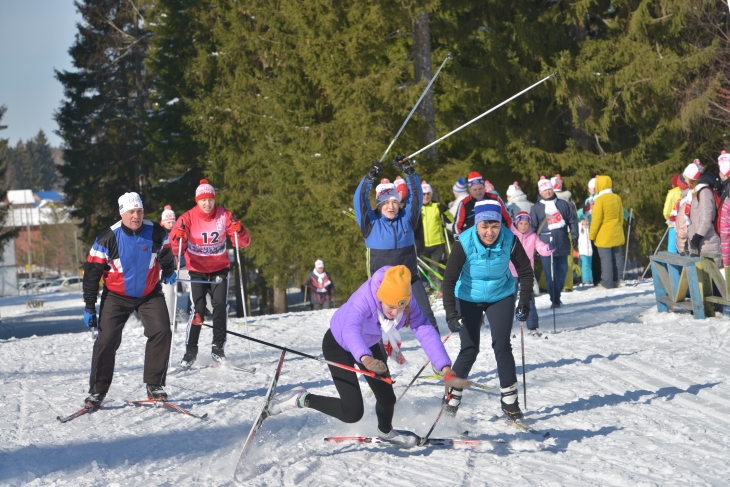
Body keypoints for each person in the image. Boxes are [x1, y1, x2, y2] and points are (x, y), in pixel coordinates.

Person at [267, 265, 465, 447]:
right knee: (352, 412)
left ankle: (386, 432)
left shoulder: (404, 298)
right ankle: (301, 398)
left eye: (400, 307)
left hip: (369, 345)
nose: (395, 313)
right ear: (380, 298)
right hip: (339, 344)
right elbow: (350, 330)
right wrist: (365, 359)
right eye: (390, 307)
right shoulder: (364, 298)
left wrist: (445, 368)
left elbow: (423, 328)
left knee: (387, 398)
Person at [441, 200, 534, 419]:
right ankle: (451, 400)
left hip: (500, 295)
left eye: (495, 226)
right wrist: (451, 314)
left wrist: (525, 302)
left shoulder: (510, 239)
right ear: (476, 225)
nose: (490, 232)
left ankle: (510, 402)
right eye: (484, 226)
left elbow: (526, 272)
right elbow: (449, 280)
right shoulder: (463, 243)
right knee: (469, 349)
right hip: (468, 297)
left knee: (502, 345)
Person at [82, 192, 177, 407]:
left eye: (140, 211)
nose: (136, 216)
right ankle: (97, 391)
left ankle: (155, 385)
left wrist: (169, 270)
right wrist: (89, 306)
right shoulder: (107, 238)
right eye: (132, 211)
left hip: (148, 294)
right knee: (107, 341)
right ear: (122, 213)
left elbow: (165, 253)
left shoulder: (155, 232)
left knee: (162, 331)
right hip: (116, 296)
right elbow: (91, 275)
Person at [170, 179, 251, 367]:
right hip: (197, 269)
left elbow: (244, 243)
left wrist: (240, 231)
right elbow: (175, 248)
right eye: (203, 200)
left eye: (210, 200)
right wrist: (177, 237)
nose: (207, 204)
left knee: (220, 306)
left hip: (219, 268)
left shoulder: (224, 215)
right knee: (197, 309)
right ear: (197, 201)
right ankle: (190, 351)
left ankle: (218, 348)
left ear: (215, 200)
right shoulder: (187, 218)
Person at [354, 155, 438, 330]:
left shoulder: (407, 219)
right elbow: (360, 199)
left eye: (394, 202)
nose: (390, 206)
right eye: (385, 203)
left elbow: (416, 195)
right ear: (378, 205)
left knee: (426, 315)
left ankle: (436, 351)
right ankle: (377, 356)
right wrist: (369, 178)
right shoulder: (370, 223)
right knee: (378, 325)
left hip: (410, 280)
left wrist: (409, 170)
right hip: (381, 284)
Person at [530, 176, 578, 308]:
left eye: (549, 189)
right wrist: (533, 245)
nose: (547, 192)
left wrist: (574, 236)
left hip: (562, 241)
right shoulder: (536, 208)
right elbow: (533, 227)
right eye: (544, 190)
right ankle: (555, 299)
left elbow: (572, 221)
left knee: (562, 271)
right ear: (540, 192)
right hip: (545, 244)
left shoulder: (563, 204)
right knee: (550, 273)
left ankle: (557, 294)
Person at [509, 211, 552, 335]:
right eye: (521, 223)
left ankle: (532, 326)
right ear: (516, 223)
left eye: (526, 224)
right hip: (511, 272)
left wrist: (549, 248)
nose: (523, 226)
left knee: (528, 299)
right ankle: (506, 326)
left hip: (526, 273)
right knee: (509, 300)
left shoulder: (532, 236)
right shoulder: (511, 235)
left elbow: (542, 249)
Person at [589, 175, 626, 289]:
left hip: (604, 235)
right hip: (617, 232)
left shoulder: (600, 200)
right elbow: (621, 216)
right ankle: (618, 280)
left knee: (606, 260)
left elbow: (596, 220)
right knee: (617, 258)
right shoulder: (617, 198)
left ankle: (607, 283)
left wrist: (592, 235)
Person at [453, 171, 512, 238]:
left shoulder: (495, 199)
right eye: (475, 190)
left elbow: (508, 219)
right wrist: (459, 240)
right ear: (470, 190)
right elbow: (457, 225)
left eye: (480, 188)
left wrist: (509, 235)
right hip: (474, 240)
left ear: (484, 187)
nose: (478, 192)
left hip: (495, 238)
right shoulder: (464, 203)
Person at [683, 160, 721, 263]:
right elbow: (694, 220)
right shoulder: (692, 194)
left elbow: (706, 219)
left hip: (707, 243)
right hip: (698, 244)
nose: (684, 179)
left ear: (691, 179)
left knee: (710, 278)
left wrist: (696, 238)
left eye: (685, 177)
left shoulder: (704, 192)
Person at [416, 180, 449, 272]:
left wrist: (445, 210)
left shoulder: (436, 206)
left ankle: (443, 286)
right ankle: (425, 286)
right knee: (423, 270)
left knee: (441, 269)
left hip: (438, 244)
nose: (426, 196)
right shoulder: (416, 208)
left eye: (428, 194)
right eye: (423, 194)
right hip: (423, 245)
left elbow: (451, 220)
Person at [160, 205, 178, 325]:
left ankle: (215, 311)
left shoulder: (178, 233)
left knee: (195, 286)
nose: (171, 224)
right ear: (163, 223)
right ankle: (171, 320)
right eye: (168, 222)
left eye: (173, 222)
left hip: (180, 266)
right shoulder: (160, 234)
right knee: (169, 292)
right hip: (165, 268)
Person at [662, 175, 682, 254]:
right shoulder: (689, 191)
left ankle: (674, 266)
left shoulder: (672, 193)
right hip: (686, 224)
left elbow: (666, 212)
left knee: (672, 250)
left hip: (673, 225)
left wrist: (669, 219)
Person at [578, 216, 593, 285]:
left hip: (590, 250)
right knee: (585, 265)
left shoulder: (590, 228)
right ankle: (586, 279)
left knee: (590, 265)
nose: (586, 223)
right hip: (582, 250)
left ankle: (591, 278)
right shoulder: (579, 228)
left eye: (587, 221)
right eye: (584, 221)